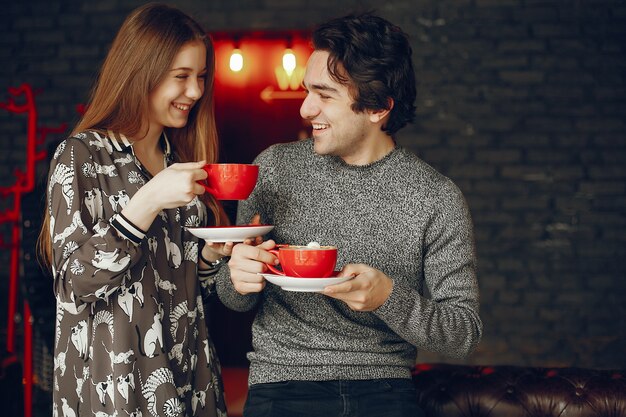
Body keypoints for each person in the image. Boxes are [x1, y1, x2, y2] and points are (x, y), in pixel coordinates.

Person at [215, 12, 483, 417]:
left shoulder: (436, 197)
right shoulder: (272, 169)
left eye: (323, 95)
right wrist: (237, 277)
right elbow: (232, 298)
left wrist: (389, 298)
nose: (305, 109)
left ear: (377, 108)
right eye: (307, 91)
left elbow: (463, 333)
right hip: (282, 383)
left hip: (384, 389)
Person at [39, 4, 232, 417]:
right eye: (181, 77)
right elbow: (73, 284)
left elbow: (185, 288)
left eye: (200, 77)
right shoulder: (81, 156)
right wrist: (145, 202)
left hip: (190, 377)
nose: (196, 92)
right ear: (139, 71)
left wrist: (212, 260)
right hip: (115, 388)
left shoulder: (178, 158)